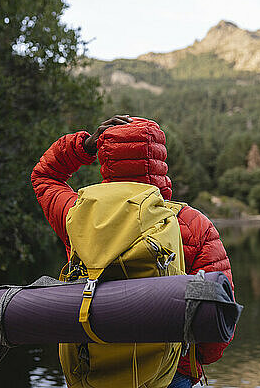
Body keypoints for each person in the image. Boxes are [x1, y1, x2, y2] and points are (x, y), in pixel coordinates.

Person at [31, 115, 234, 387]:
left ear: (106, 162)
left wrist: (86, 146)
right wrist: (191, 362)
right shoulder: (193, 224)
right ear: (160, 159)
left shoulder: (76, 215)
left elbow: (45, 175)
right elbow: (216, 323)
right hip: (169, 375)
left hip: (93, 369)